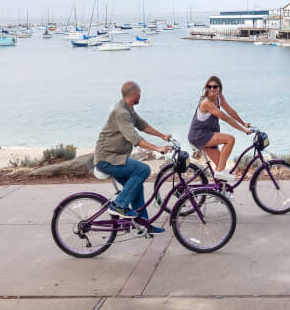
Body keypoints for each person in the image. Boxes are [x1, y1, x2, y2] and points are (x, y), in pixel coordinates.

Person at [94, 80, 172, 232]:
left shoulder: (127, 108)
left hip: (116, 157)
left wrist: (162, 136)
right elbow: (134, 138)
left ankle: (143, 226)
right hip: (107, 159)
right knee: (143, 170)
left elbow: (142, 125)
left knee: (136, 187)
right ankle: (119, 205)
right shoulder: (121, 113)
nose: (141, 95)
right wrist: (157, 148)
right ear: (135, 94)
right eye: (140, 93)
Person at [187, 75, 251, 179]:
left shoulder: (219, 97)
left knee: (220, 166)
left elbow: (230, 111)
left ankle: (220, 193)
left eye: (215, 86)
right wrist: (244, 130)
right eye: (209, 86)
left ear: (219, 88)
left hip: (207, 134)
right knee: (230, 139)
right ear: (206, 88)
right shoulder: (206, 102)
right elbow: (226, 117)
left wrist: (243, 123)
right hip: (199, 135)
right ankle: (220, 174)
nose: (212, 89)